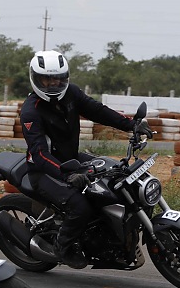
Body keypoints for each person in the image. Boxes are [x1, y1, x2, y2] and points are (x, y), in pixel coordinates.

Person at [20, 50, 152, 269]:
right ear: (36, 78)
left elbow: (97, 111)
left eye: (58, 78)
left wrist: (132, 125)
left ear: (65, 77)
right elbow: (40, 154)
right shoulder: (31, 112)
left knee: (115, 178)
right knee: (80, 206)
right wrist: (67, 173)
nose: (53, 84)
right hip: (45, 170)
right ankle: (63, 247)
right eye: (47, 79)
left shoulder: (71, 93)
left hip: (72, 159)